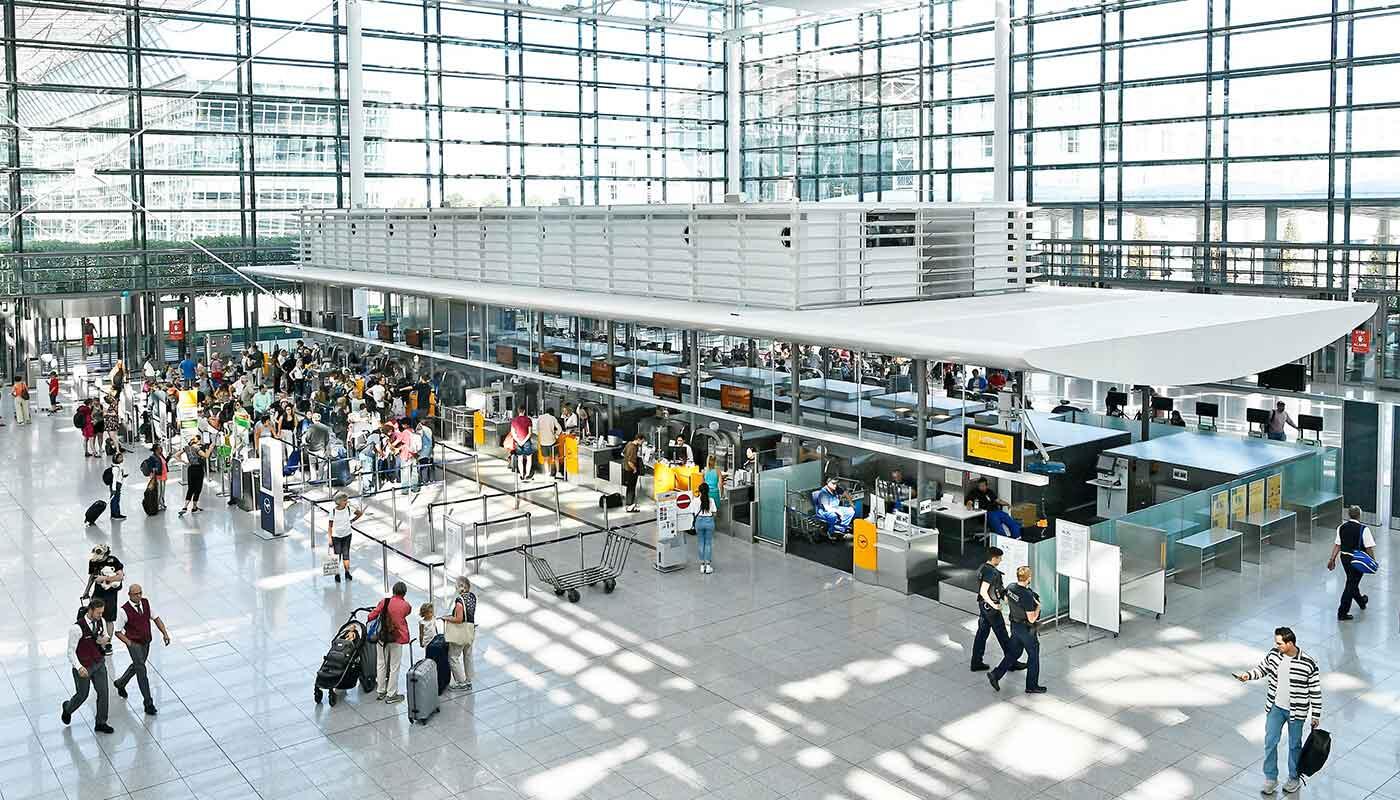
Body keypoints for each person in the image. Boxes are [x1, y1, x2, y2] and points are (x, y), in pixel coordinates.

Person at [1233, 627, 1322, 795]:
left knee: (1295, 745)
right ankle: (1270, 778)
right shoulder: (1274, 655)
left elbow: (1315, 691)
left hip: (1297, 712)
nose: (1276, 645)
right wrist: (1248, 675)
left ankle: (1294, 778)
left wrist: (1316, 714)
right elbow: (1263, 668)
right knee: (1270, 742)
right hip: (1275, 707)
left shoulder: (1308, 663)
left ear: (1290, 643)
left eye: (1279, 643)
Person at [987, 566, 1046, 694]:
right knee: (1033, 655)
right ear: (1029, 578)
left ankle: (996, 674)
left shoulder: (1011, 587)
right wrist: (1038, 607)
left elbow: (1007, 601)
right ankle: (1031, 686)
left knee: (1014, 653)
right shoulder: (1027, 595)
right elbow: (1031, 619)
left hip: (1014, 626)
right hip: (1026, 629)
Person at [113, 584, 170, 716]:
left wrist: (165, 633)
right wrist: (129, 643)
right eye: (136, 594)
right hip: (134, 644)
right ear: (129, 595)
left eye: (140, 593)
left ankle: (120, 683)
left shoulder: (146, 603)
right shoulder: (124, 611)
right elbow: (117, 631)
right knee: (142, 671)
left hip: (146, 642)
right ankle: (148, 703)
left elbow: (156, 618)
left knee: (138, 666)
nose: (139, 596)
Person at [62, 599, 114, 733]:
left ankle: (101, 722)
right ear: (90, 610)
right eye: (98, 613)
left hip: (98, 662)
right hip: (83, 666)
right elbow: (70, 651)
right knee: (82, 695)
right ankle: (67, 708)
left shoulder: (100, 621)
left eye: (102, 612)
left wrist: (105, 640)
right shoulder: (76, 628)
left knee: (103, 692)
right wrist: (79, 667)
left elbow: (106, 635)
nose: (100, 615)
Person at [970, 547, 1024, 674]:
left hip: (983, 606)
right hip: (990, 608)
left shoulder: (983, 568)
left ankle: (976, 662)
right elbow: (984, 591)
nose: (1001, 560)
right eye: (999, 558)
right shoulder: (991, 572)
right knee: (1003, 635)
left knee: (982, 633)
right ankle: (1011, 662)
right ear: (994, 558)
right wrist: (994, 605)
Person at [1328, 505, 1377, 621]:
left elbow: (1337, 545)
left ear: (1349, 515)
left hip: (1344, 558)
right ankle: (1342, 612)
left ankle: (1361, 601)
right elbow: (1369, 548)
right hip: (1358, 560)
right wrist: (1373, 561)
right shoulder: (1364, 529)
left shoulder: (1341, 527)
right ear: (1359, 515)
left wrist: (1332, 559)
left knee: (1351, 581)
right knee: (1351, 584)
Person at [367, 581, 412, 704]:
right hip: (397, 638)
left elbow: (371, 616)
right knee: (394, 666)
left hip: (382, 637)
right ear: (404, 593)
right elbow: (407, 613)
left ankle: (381, 691)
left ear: (393, 591)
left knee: (381, 664)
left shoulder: (384, 602)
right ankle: (391, 694)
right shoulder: (406, 605)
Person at [83, 545, 124, 650]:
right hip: (98, 594)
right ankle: (95, 639)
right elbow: (92, 577)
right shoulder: (93, 561)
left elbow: (120, 576)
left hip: (111, 595)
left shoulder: (113, 561)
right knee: (95, 617)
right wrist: (86, 591)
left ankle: (107, 643)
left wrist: (105, 578)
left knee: (109, 619)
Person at [440, 576, 477, 691]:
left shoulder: (459, 600)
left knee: (453, 656)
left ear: (461, 586)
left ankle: (461, 682)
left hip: (461, 633)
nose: (455, 587)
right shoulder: (472, 596)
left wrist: (446, 618)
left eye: (456, 585)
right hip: (471, 630)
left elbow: (459, 619)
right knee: (468, 654)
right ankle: (469, 679)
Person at [327, 492, 364, 583]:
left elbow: (359, 513)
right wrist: (330, 538)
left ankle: (347, 572)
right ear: (339, 502)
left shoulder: (349, 508)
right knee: (337, 555)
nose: (346, 501)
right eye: (344, 500)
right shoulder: (333, 511)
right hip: (336, 536)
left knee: (346, 555)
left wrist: (352, 521)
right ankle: (337, 574)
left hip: (347, 535)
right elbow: (330, 526)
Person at [178, 435, 209, 517]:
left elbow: (176, 455)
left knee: (191, 488)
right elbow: (206, 456)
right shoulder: (197, 448)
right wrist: (210, 448)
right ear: (198, 441)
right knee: (198, 488)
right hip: (198, 469)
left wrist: (184, 462)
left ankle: (185, 507)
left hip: (190, 469)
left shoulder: (186, 448)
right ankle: (194, 507)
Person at [536, 407, 563, 480]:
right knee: (556, 457)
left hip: (543, 441)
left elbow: (537, 429)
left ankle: (547, 473)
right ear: (552, 413)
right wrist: (555, 434)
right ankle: (557, 472)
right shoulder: (552, 418)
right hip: (552, 441)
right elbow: (560, 429)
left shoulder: (540, 418)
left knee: (545, 459)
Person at [695, 483, 717, 574]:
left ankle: (701, 565)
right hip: (709, 522)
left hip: (699, 522)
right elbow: (715, 513)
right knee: (708, 543)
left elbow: (693, 512)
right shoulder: (711, 500)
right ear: (708, 491)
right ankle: (708, 566)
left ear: (699, 491)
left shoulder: (695, 500)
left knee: (701, 542)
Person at [621, 430, 643, 512]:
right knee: (631, 488)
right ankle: (630, 506)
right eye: (642, 441)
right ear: (638, 439)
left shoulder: (628, 444)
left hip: (626, 469)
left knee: (629, 487)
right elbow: (630, 461)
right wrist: (635, 469)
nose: (642, 443)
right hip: (631, 470)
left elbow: (623, 453)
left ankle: (629, 504)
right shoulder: (633, 447)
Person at [509, 409, 534, 480]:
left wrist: (518, 441)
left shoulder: (514, 420)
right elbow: (529, 433)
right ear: (524, 411)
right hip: (526, 442)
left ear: (518, 411)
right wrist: (524, 441)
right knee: (529, 458)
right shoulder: (528, 420)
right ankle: (527, 474)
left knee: (520, 458)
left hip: (518, 442)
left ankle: (521, 474)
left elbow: (513, 433)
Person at [108, 452, 128, 520]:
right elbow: (114, 480)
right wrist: (114, 489)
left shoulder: (118, 466)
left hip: (117, 485)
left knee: (114, 500)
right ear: (115, 459)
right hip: (116, 486)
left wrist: (123, 475)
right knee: (116, 500)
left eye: (121, 457)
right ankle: (116, 515)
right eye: (119, 457)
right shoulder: (116, 468)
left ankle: (113, 514)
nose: (122, 458)